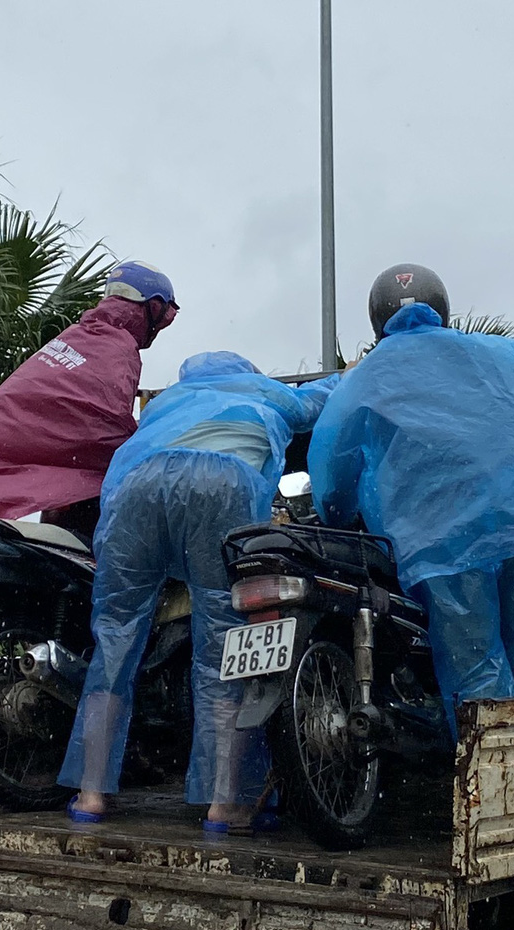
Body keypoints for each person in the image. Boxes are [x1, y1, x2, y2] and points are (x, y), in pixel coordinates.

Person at [59, 352, 334, 833]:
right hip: (222, 485)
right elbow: (324, 398)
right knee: (223, 649)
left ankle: (91, 793)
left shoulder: (168, 403)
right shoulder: (266, 392)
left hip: (136, 490)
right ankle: (224, 804)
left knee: (116, 639)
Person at [308, 264, 514, 733]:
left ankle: (498, 794)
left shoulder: (366, 378)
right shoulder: (509, 353)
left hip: (443, 540)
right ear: (441, 306)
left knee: (477, 670)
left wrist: (336, 514)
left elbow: (332, 463)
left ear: (376, 318)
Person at [0, 261, 177, 543]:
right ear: (152, 307)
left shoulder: (78, 334)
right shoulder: (119, 347)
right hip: (58, 490)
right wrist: (152, 440)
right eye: (162, 318)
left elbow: (62, 407)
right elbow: (102, 424)